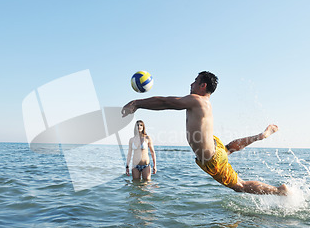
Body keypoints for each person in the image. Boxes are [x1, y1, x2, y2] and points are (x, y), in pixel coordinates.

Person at [121, 71, 287, 195]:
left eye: (195, 81)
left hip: (211, 158)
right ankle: (260, 136)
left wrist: (136, 103)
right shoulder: (204, 103)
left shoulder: (197, 100)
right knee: (228, 149)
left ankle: (279, 191)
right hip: (215, 148)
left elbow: (166, 102)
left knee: (240, 186)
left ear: (203, 86)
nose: (191, 84)